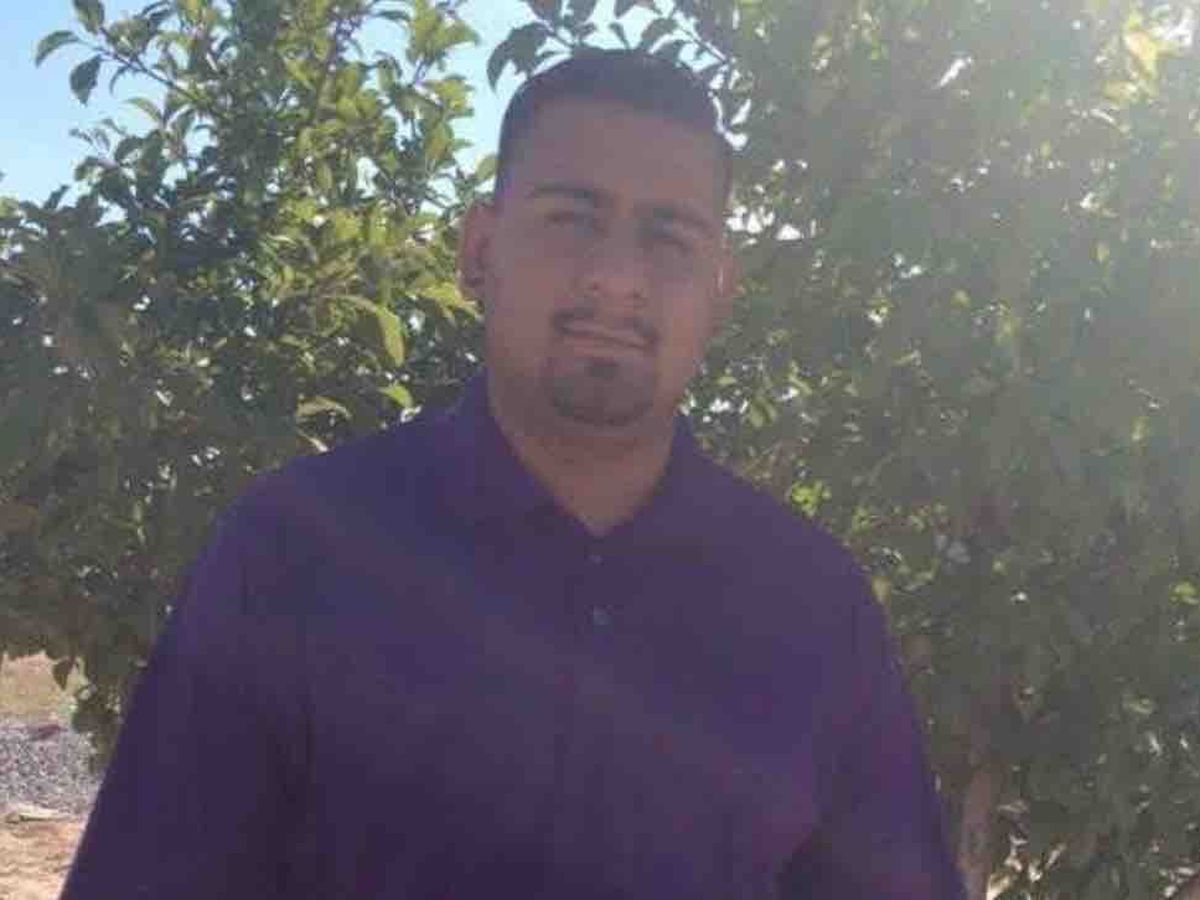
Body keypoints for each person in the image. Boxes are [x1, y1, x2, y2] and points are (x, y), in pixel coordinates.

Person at [63, 50, 965, 899]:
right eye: (572, 219)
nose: (618, 278)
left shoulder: (814, 606)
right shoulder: (295, 554)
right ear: (478, 253)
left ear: (720, 290)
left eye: (670, 237)